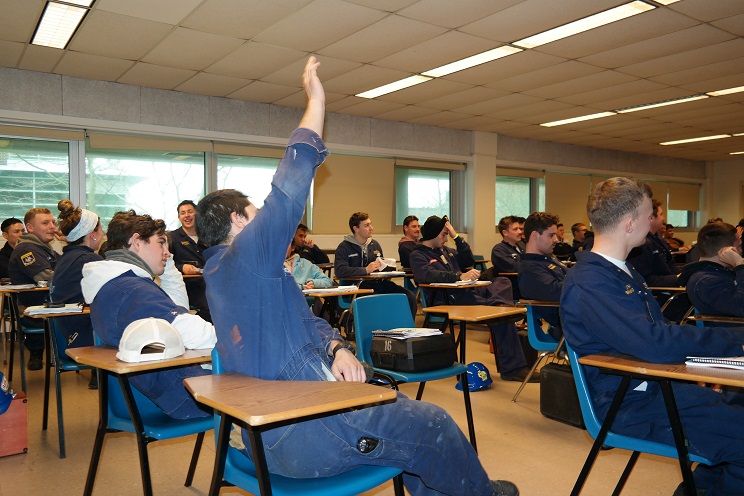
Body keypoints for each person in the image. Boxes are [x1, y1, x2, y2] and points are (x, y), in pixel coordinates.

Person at [196, 57, 517, 496]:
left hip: (276, 431)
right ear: (237, 221)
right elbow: (288, 189)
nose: (261, 223)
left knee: (406, 420)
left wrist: (335, 347)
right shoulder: (243, 257)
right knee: (434, 423)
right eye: (252, 216)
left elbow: (303, 321)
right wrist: (316, 103)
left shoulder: (223, 272)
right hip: (305, 430)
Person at [560, 176, 744, 495]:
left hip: (652, 386)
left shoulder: (621, 270)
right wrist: (735, 343)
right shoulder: (592, 281)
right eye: (649, 216)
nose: (654, 222)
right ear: (631, 223)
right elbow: (655, 342)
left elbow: (654, 340)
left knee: (733, 423)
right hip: (631, 402)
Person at [81, 210, 216, 419]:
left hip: (151, 390)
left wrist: (165, 261)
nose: (168, 252)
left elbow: (177, 308)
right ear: (136, 241)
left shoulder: (116, 283)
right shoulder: (132, 290)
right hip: (182, 394)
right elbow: (195, 333)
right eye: (161, 242)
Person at [410, 215, 536, 383]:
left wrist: (457, 237)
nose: (447, 238)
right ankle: (513, 368)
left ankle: (498, 307)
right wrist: (458, 276)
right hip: (450, 299)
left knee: (502, 281)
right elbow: (425, 274)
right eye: (444, 234)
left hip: (470, 293)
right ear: (433, 234)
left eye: (448, 235)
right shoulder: (418, 254)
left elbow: (468, 259)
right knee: (502, 318)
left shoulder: (446, 251)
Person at [50, 201, 104, 388]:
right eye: (101, 230)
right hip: (84, 337)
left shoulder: (68, 257)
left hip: (67, 333)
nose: (103, 234)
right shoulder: (89, 260)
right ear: (92, 234)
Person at [334, 212, 417, 317]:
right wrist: (365, 270)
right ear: (356, 228)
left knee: (409, 296)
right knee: (379, 300)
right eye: (366, 225)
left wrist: (387, 269)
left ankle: (407, 329)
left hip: (378, 284)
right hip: (356, 287)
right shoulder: (344, 247)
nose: (371, 228)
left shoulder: (374, 244)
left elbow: (380, 266)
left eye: (370, 224)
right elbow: (340, 270)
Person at [8, 208, 59, 370]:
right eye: (45, 223)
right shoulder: (27, 250)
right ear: (30, 228)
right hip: (36, 309)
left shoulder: (44, 248)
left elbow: (67, 268)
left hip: (50, 305)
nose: (52, 226)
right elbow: (46, 277)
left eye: (53, 222)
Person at [678, 222, 744, 318]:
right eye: (738, 246)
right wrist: (740, 265)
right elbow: (741, 307)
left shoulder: (716, 272)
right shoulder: (707, 281)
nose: (741, 251)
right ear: (727, 251)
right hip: (731, 331)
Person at [517, 212, 566, 339]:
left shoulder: (547, 259)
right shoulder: (530, 269)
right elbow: (558, 291)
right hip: (570, 325)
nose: (556, 239)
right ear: (534, 235)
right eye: (551, 235)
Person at [168, 200, 211, 322]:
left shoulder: (208, 236)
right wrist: (182, 267)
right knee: (211, 305)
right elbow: (165, 264)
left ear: (197, 214)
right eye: (183, 213)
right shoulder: (172, 238)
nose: (187, 215)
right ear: (179, 217)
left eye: (190, 212)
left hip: (210, 282)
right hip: (189, 286)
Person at [627, 198, 680, 287]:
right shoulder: (642, 243)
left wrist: (685, 274)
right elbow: (646, 279)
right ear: (651, 217)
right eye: (661, 214)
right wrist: (676, 278)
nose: (664, 218)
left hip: (671, 283)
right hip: (661, 292)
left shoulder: (658, 237)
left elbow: (670, 264)